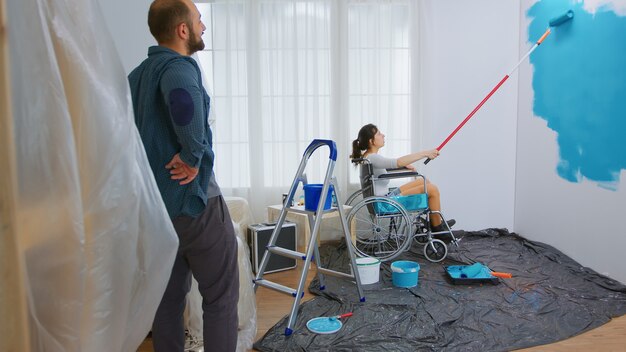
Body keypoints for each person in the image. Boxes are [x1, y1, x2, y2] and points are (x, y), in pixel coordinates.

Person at [128, 0, 239, 351]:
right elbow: (183, 103)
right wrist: (192, 157)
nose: (203, 27)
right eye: (199, 20)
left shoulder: (137, 76)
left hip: (157, 212)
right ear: (182, 30)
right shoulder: (179, 68)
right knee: (220, 298)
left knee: (167, 302)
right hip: (196, 205)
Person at [351, 123, 455, 232]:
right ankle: (438, 229)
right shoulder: (373, 157)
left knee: (424, 182)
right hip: (385, 203)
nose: (383, 135)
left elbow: (385, 167)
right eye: (379, 134)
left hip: (385, 198)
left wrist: (403, 166)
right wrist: (426, 153)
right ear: (371, 141)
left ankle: (437, 222)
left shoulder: (368, 157)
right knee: (432, 189)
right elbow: (397, 162)